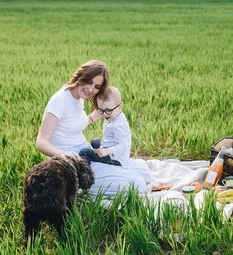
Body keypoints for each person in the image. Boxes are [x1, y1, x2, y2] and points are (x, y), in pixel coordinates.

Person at [35, 60, 150, 196]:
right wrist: (63, 155)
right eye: (89, 82)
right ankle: (79, 189)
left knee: (145, 172)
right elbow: (41, 142)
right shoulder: (59, 101)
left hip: (87, 153)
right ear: (81, 76)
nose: (91, 90)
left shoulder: (78, 97)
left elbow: (77, 122)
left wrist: (105, 111)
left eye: (96, 86)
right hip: (73, 163)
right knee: (138, 184)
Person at [78, 86, 151, 185]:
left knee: (85, 152)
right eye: (101, 110)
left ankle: (84, 177)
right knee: (93, 144)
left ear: (120, 107)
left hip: (115, 158)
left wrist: (107, 151)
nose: (104, 114)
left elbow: (124, 146)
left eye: (108, 111)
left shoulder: (119, 125)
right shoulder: (114, 115)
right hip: (109, 148)